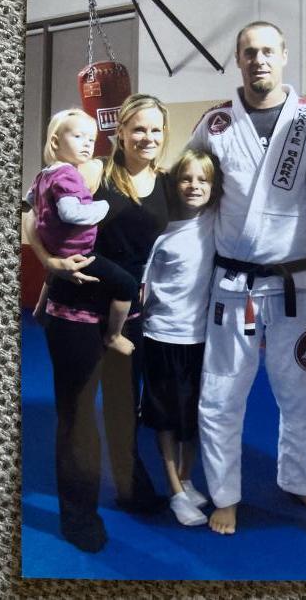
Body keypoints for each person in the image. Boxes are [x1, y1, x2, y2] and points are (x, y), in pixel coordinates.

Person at [189, 21, 306, 534]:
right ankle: (225, 494)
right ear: (238, 59)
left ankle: (297, 478)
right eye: (250, 52)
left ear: (284, 56)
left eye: (268, 51)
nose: (259, 60)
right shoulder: (215, 125)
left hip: (295, 285)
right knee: (221, 394)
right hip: (233, 287)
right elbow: (192, 197)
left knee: (303, 392)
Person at [24, 93, 171, 552]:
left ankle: (130, 487)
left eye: (156, 129)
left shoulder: (166, 183)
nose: (147, 137)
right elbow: (32, 215)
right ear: (120, 132)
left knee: (125, 408)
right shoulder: (93, 171)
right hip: (77, 309)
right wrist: (49, 261)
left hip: (128, 313)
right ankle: (78, 515)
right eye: (138, 128)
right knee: (79, 414)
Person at [141, 149, 222, 526]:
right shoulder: (161, 232)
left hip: (201, 338)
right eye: (186, 179)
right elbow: (143, 287)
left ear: (213, 187)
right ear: (174, 185)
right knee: (167, 418)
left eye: (203, 180)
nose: (194, 186)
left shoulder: (215, 222)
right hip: (162, 336)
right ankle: (174, 491)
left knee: (195, 414)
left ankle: (187, 479)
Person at [26, 108, 136, 355]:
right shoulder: (69, 174)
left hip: (56, 247)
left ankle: (40, 309)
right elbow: (71, 213)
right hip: (79, 251)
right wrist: (101, 207)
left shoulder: (44, 174)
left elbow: (31, 199)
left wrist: (44, 213)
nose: (87, 144)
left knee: (54, 275)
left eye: (91, 139)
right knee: (127, 285)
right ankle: (114, 335)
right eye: (78, 137)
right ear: (55, 142)